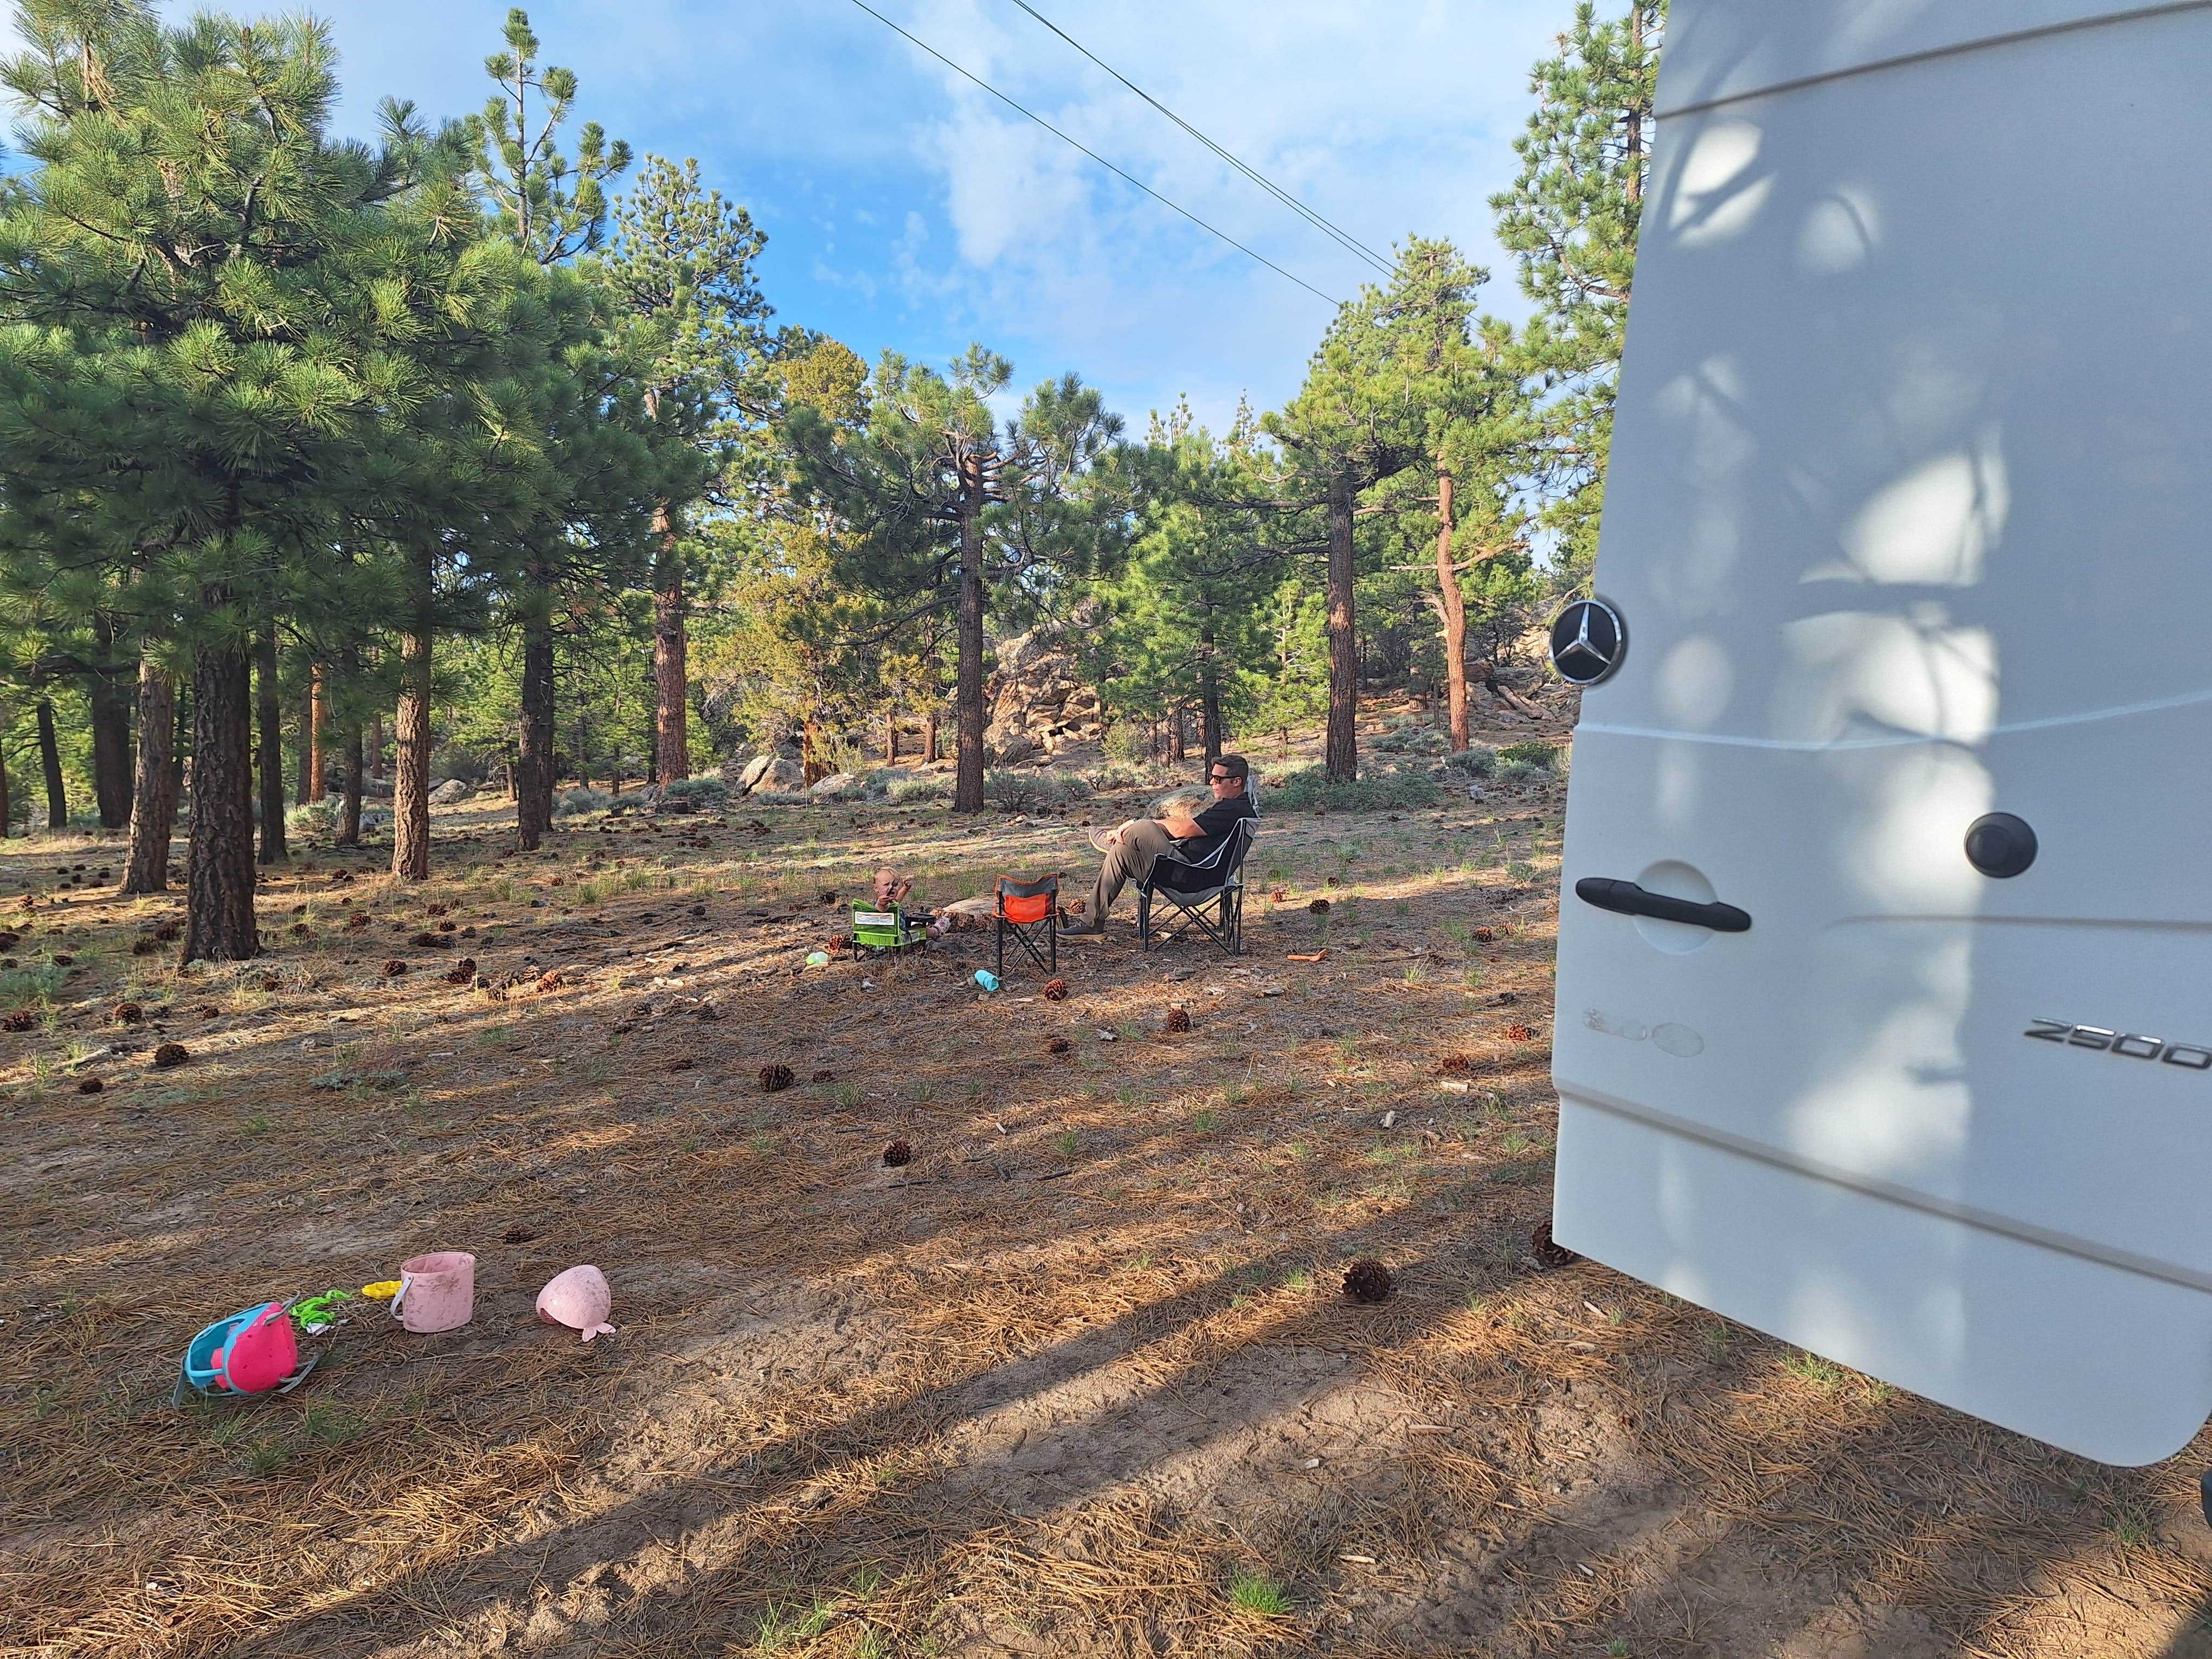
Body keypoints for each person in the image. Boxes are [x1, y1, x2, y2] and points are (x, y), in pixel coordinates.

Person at [1064, 753, 1256, 936]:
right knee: (1120, 852)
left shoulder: (1232, 809)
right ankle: (1091, 924)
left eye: (1217, 778)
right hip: (1192, 873)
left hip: (1190, 876)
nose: (1212, 782)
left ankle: (1113, 838)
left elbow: (1182, 830)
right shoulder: (1240, 808)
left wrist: (1136, 825)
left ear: (1236, 781)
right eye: (1211, 776)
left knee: (1144, 827)